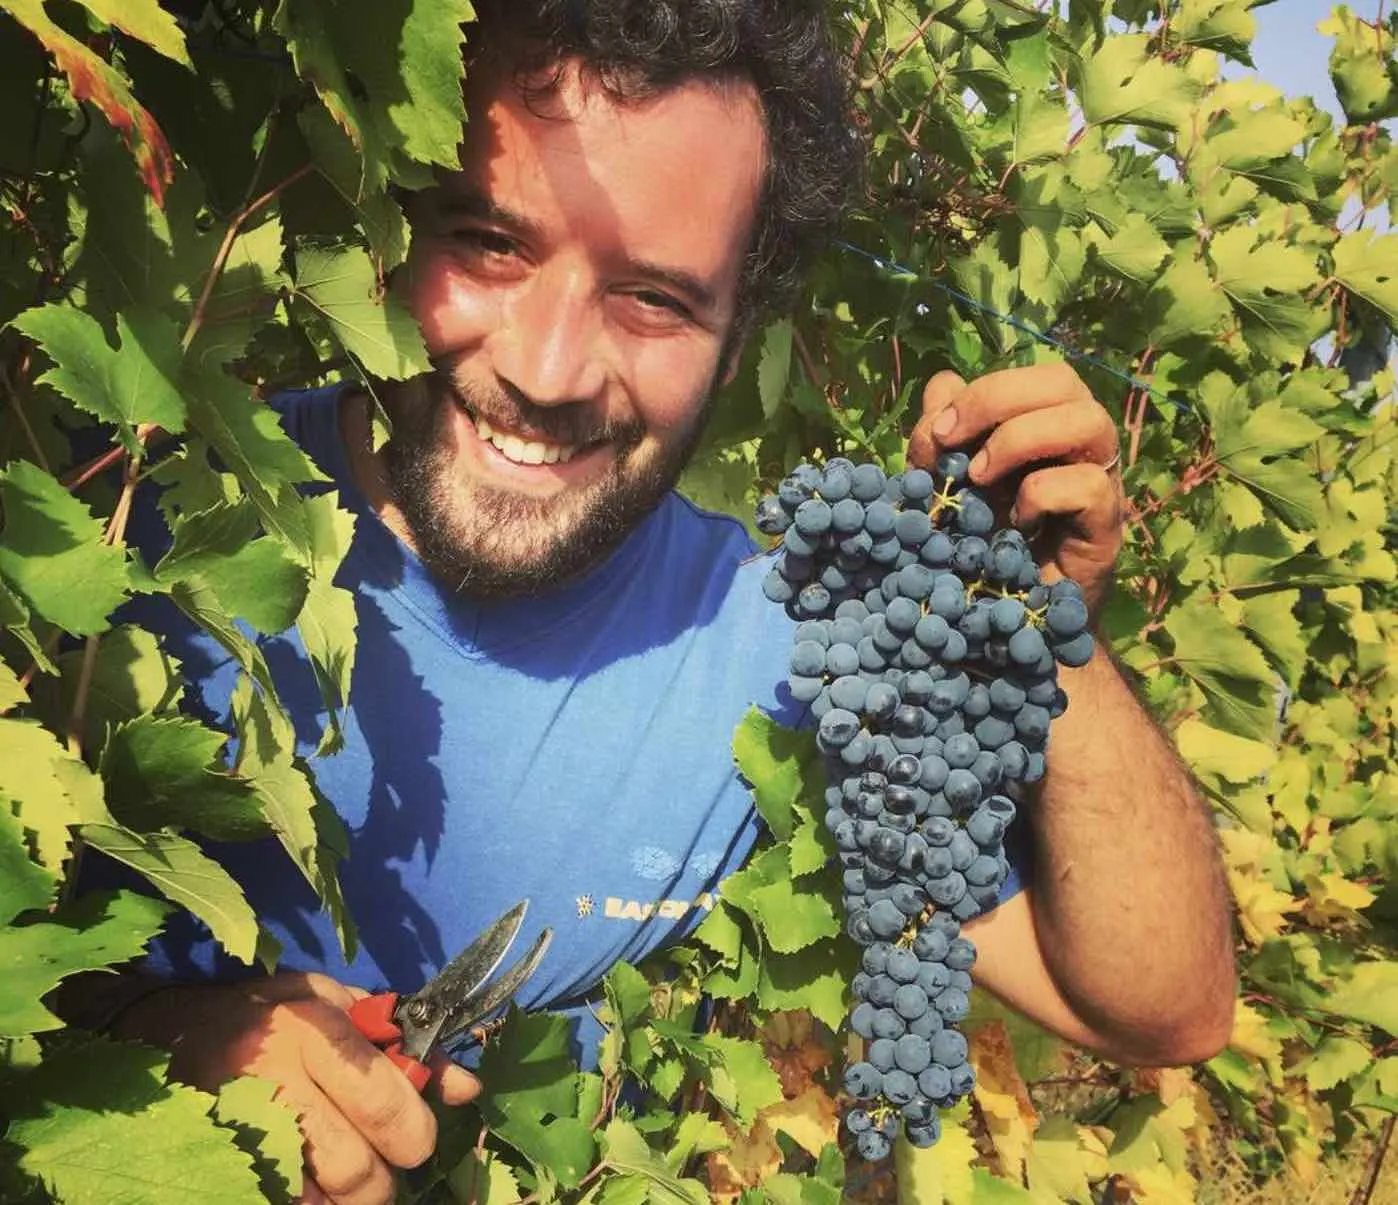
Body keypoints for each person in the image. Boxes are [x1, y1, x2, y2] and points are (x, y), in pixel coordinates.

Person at [84, 2, 1237, 1203]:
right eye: (491, 241)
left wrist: (1049, 627)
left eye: (653, 299)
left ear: (736, 346)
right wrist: (149, 1040)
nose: (545, 368)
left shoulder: (774, 650)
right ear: (390, 229)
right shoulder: (116, 513)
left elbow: (1169, 1008)